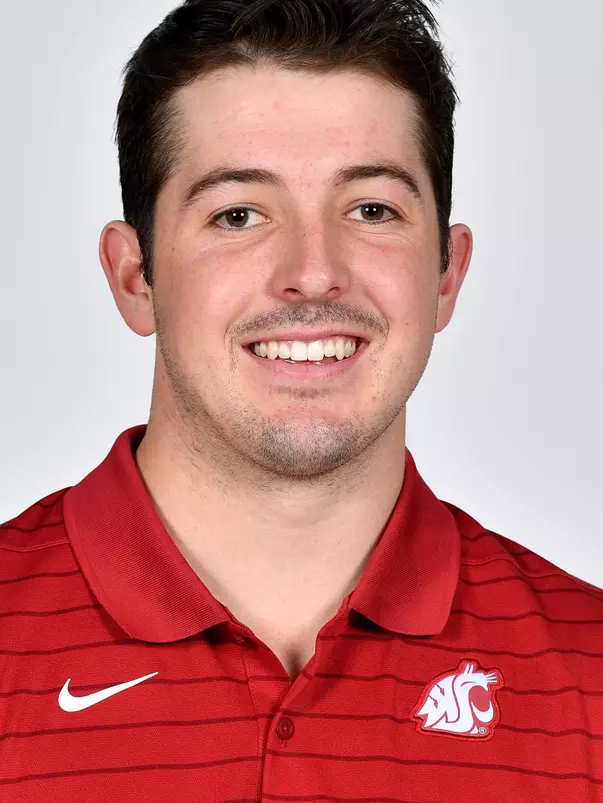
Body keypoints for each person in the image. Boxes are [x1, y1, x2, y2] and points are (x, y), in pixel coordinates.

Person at [1, 0, 601, 799]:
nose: (314, 272)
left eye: (372, 209)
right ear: (135, 277)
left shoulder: (589, 674)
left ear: (445, 274)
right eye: (238, 214)